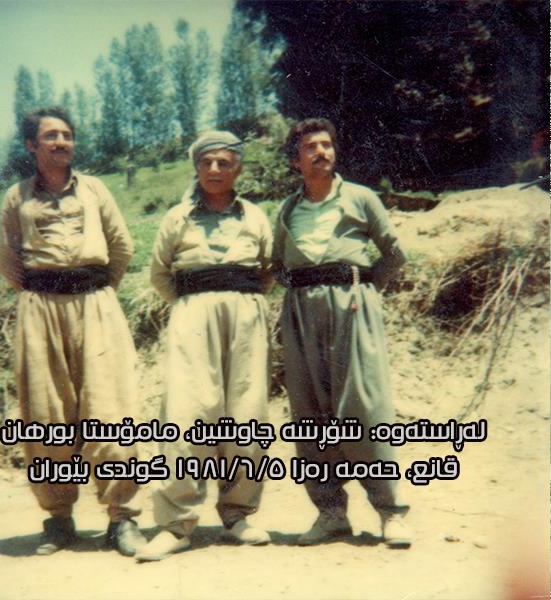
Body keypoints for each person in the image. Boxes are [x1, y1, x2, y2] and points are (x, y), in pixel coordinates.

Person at [0, 107, 146, 556]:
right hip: (41, 310)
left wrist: (93, 291)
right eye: (51, 136)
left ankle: (121, 519)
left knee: (112, 410)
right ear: (32, 145)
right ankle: (59, 520)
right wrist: (48, 293)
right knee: (46, 415)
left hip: (96, 305)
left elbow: (121, 245)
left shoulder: (96, 189)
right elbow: (10, 262)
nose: (62, 142)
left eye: (67, 135)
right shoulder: (16, 198)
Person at [273, 118, 412, 548]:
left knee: (364, 405)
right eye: (310, 147)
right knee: (309, 410)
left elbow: (394, 253)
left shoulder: (361, 198)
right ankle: (330, 512)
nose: (321, 152)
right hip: (301, 312)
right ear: (295, 160)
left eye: (327, 145)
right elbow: (278, 266)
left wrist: (364, 290)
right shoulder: (287, 210)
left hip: (353, 307)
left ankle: (390, 511)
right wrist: (304, 296)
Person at [136, 131, 274, 561]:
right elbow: (160, 274)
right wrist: (194, 306)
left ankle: (237, 514)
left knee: (246, 412)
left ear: (238, 168)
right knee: (186, 414)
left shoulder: (255, 217)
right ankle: (176, 524)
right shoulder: (177, 218)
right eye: (206, 162)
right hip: (192, 318)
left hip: (246, 319)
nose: (215, 169)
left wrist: (239, 303)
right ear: (196, 167)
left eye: (224, 162)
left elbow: (268, 269)